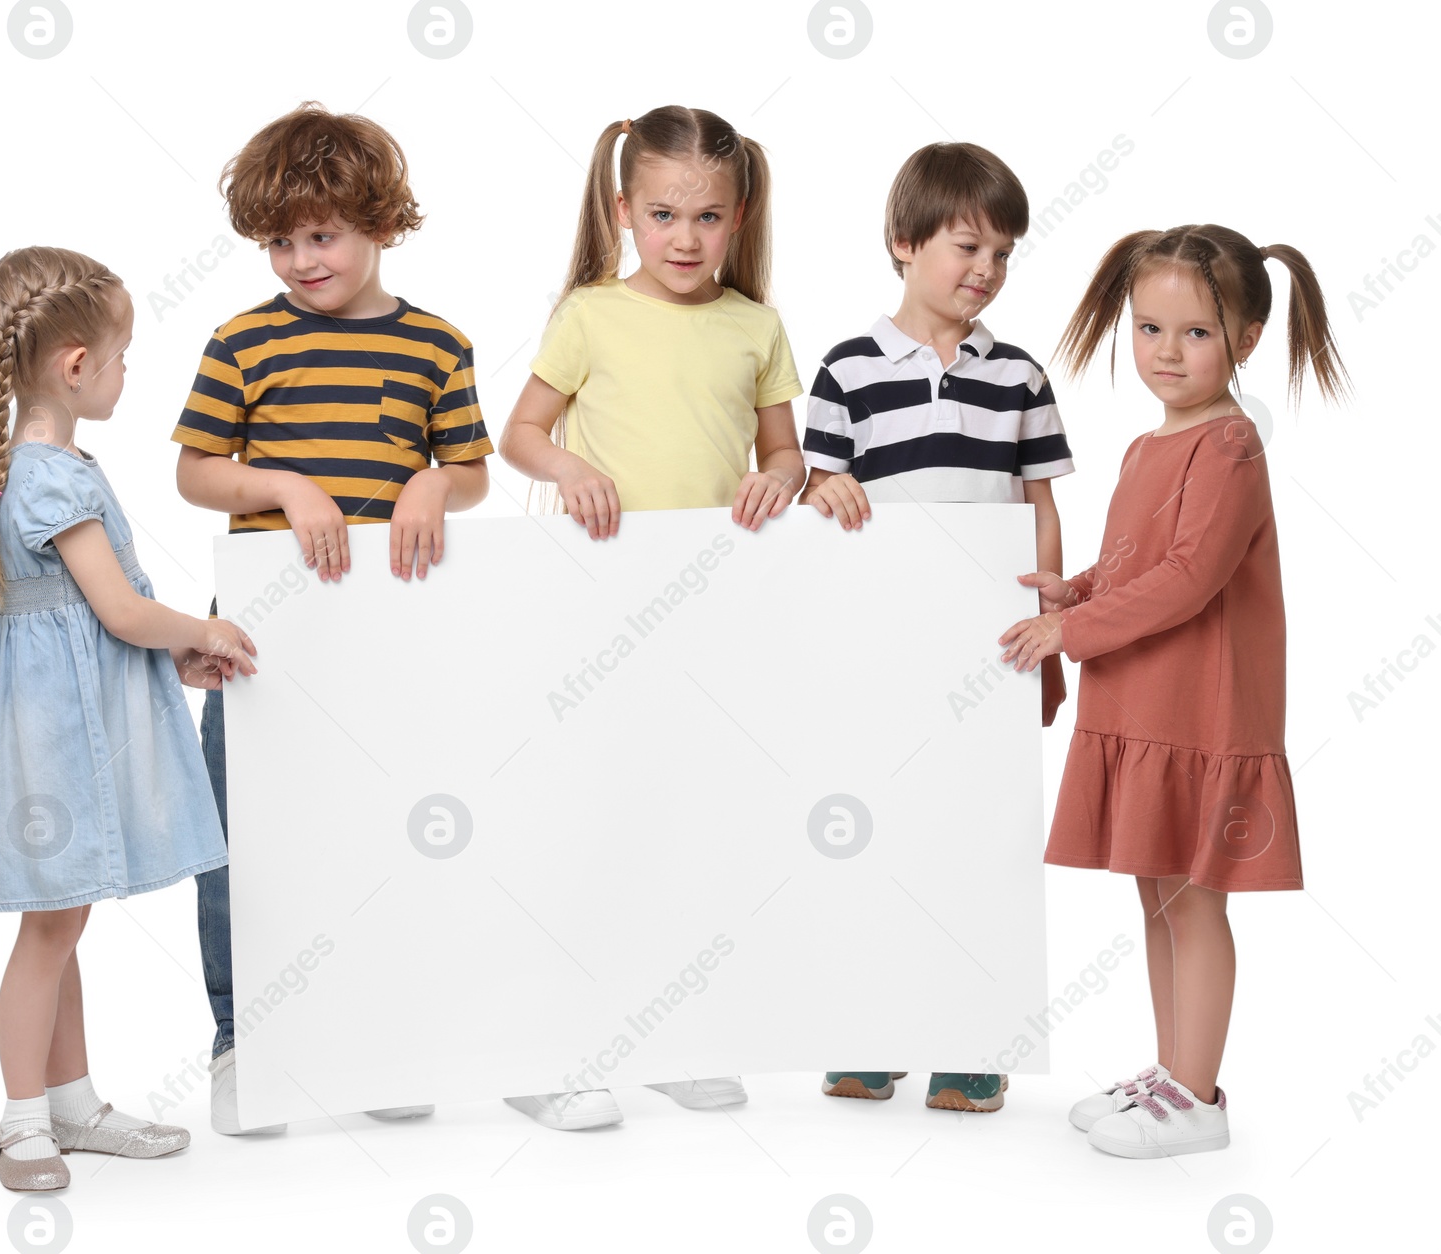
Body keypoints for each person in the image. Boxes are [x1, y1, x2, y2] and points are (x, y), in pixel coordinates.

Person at [170, 102, 492, 1135]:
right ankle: (242, 1043)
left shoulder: (437, 345)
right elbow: (194, 470)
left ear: (380, 224)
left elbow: (474, 470)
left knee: (383, 831)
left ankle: (373, 1033)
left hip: (386, 634)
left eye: (323, 234)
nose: (301, 259)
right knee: (242, 836)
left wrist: (437, 488)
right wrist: (286, 484)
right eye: (280, 240)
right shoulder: (244, 342)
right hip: (261, 633)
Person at [998, 224, 1349, 1157]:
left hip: (1200, 710)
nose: (1164, 351)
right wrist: (1079, 588)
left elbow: (1192, 576)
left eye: (1194, 333)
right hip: (1143, 703)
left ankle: (1198, 1097)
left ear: (1246, 338)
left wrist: (1069, 631)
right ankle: (1170, 1071)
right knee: (1155, 898)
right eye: (1149, 328)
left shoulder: (1229, 444)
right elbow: (1138, 563)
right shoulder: (1150, 445)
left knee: (1194, 901)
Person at [498, 105, 805, 1128]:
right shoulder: (590, 312)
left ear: (739, 214)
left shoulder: (754, 327)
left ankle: (670, 1033)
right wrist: (574, 468)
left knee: (683, 826)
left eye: (707, 217)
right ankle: (544, 1045)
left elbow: (783, 451)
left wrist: (780, 480)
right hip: (598, 615)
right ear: (625, 209)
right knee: (585, 821)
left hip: (710, 621)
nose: (684, 237)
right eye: (664, 214)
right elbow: (523, 433)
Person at [0, 246, 257, 1191]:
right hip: (57, 727)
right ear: (76, 366)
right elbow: (119, 610)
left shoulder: (38, 465)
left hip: (60, 709)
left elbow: (94, 616)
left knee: (63, 914)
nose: (129, 374)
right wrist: (198, 626)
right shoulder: (52, 479)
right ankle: (20, 1123)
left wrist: (176, 653)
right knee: (48, 928)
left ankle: (71, 1102)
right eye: (122, 357)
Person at [802, 142, 1073, 1114]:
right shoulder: (846, 369)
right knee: (875, 832)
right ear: (903, 242)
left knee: (981, 835)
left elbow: (1038, 505)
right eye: (966, 246)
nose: (984, 271)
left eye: (1002, 254)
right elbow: (816, 491)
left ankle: (974, 1037)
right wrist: (821, 485)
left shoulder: (1019, 377)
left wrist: (1050, 630)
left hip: (993, 649)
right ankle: (873, 1027)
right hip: (878, 649)